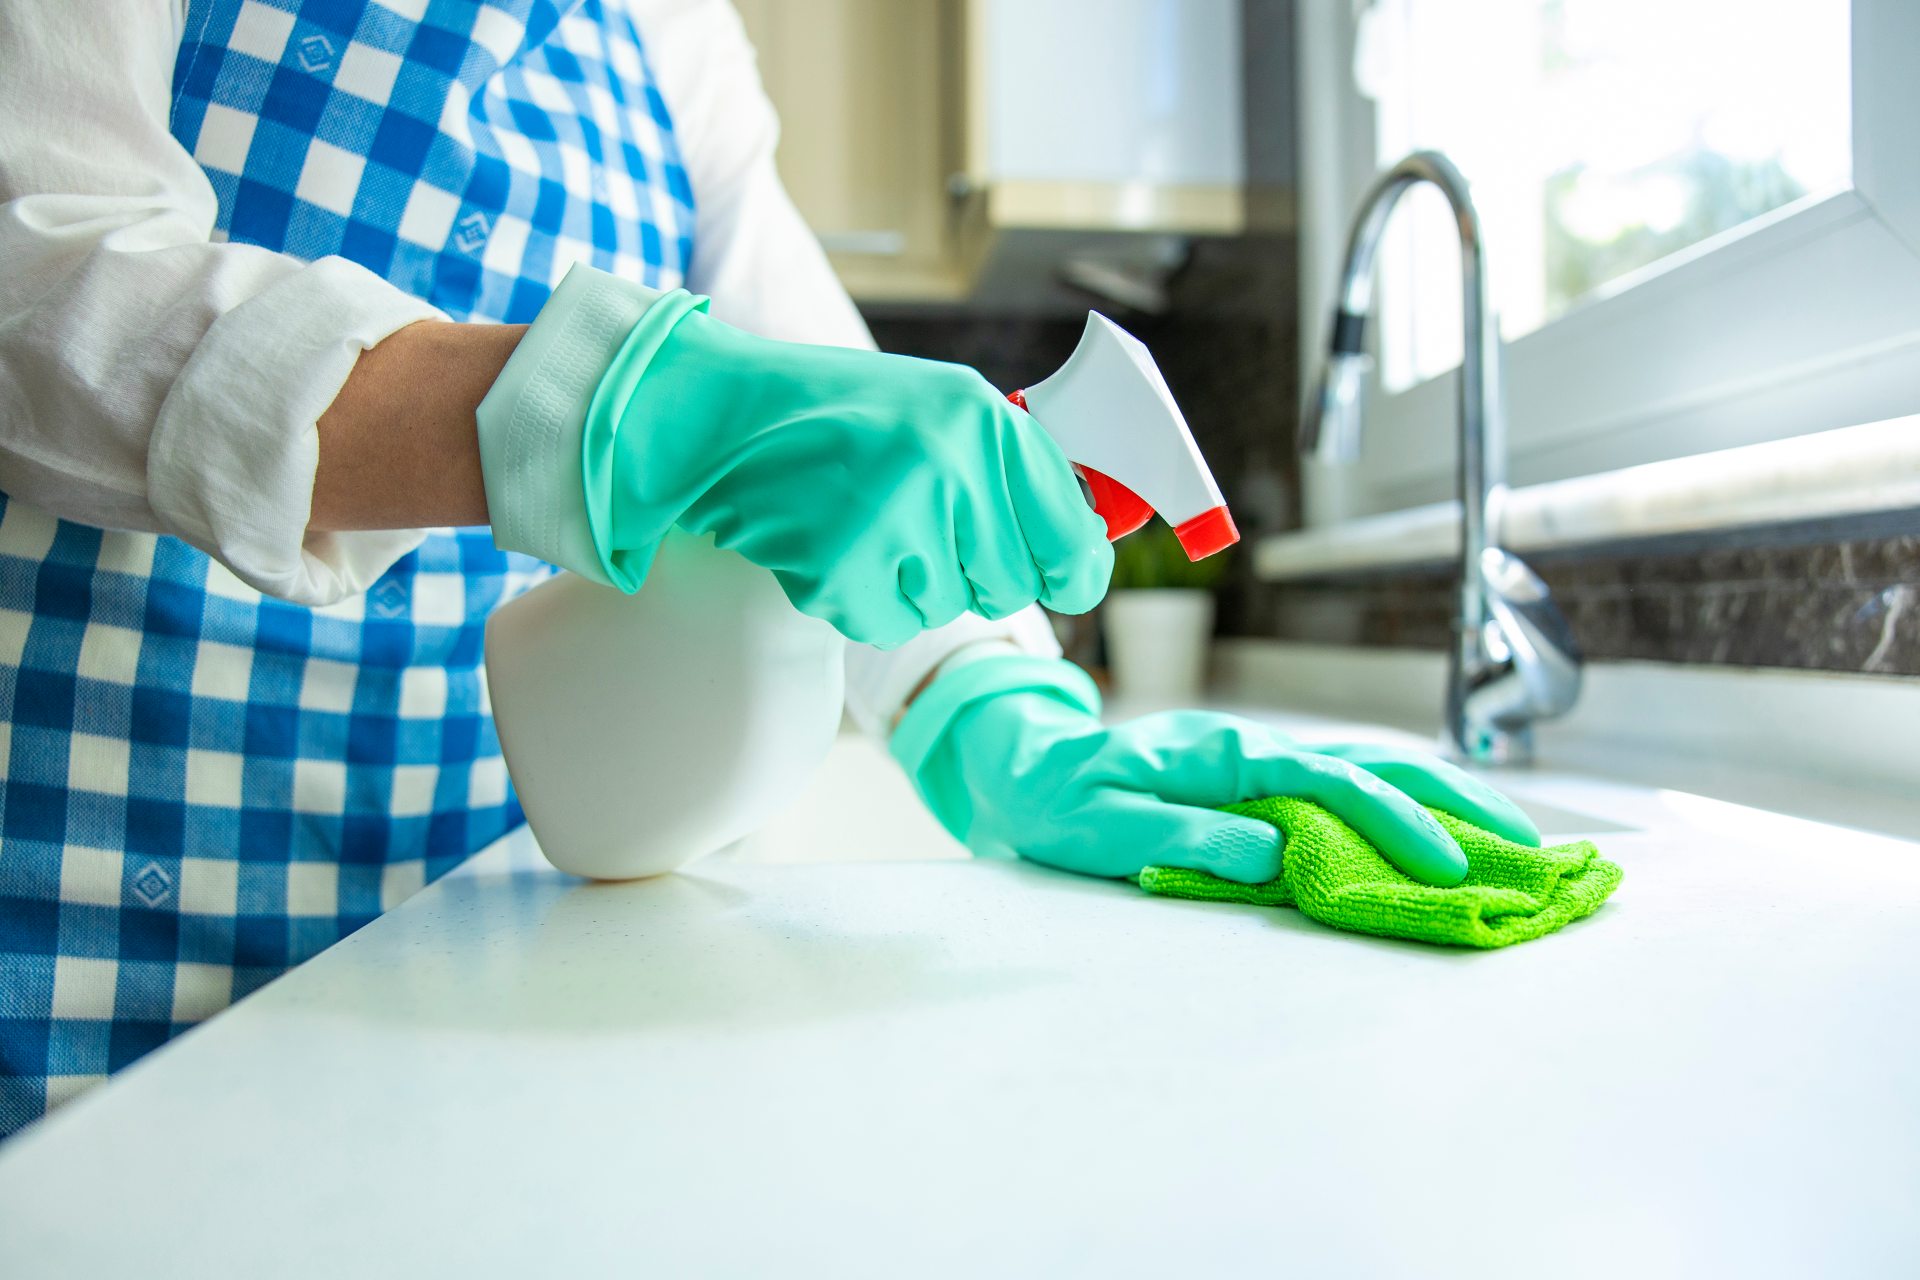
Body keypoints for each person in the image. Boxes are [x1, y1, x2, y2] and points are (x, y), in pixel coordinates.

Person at [0, 0, 1538, 1140]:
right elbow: (40, 263)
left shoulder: (669, 38)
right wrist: (614, 407)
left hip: (475, 971)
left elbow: (823, 405)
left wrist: (990, 705)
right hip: (76, 971)